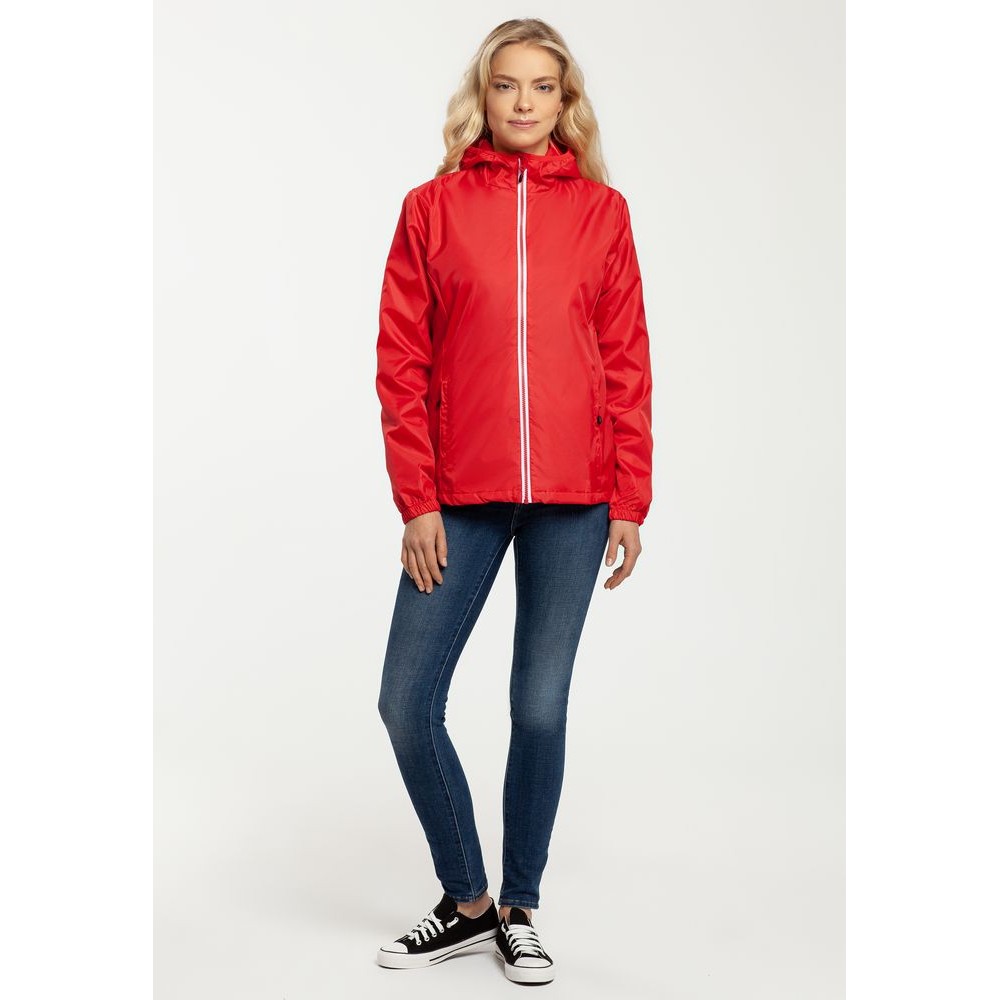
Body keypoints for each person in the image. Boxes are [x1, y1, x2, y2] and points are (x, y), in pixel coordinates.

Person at [373, 18, 653, 986]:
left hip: (577, 498)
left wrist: (630, 498)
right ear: (483, 98)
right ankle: (468, 902)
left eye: (542, 86)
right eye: (507, 85)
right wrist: (417, 498)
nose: (524, 102)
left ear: (564, 102)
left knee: (538, 706)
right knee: (405, 701)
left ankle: (519, 909)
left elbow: (626, 360)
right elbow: (400, 362)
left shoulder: (603, 215)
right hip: (459, 493)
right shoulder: (432, 210)